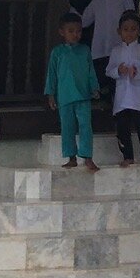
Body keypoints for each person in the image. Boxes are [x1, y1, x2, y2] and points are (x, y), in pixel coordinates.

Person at [44, 11, 99, 172]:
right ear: (62, 32)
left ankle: (87, 156)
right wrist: (51, 94)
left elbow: (91, 71)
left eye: (78, 31)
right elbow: (52, 74)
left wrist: (94, 87)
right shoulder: (57, 53)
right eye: (71, 31)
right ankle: (71, 157)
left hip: (83, 95)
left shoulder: (85, 51)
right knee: (67, 126)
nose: (76, 34)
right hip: (65, 96)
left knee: (85, 126)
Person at [106, 12, 140, 176]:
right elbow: (109, 71)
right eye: (126, 29)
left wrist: (137, 72)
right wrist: (118, 71)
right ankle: (128, 156)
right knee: (122, 129)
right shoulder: (116, 51)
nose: (129, 33)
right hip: (122, 99)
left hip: (139, 98)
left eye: (133, 29)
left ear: (139, 31)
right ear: (119, 31)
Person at [81, 0, 135, 97]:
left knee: (118, 79)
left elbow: (131, 19)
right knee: (101, 78)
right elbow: (84, 21)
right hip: (100, 48)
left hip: (119, 45)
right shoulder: (96, 1)